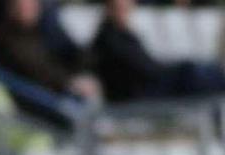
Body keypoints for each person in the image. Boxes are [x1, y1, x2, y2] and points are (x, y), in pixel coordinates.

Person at [92, 0, 225, 102]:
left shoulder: (122, 35)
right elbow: (144, 68)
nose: (125, 12)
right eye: (120, 9)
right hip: (139, 92)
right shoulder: (111, 38)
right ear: (109, 10)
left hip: (147, 85)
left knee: (195, 70)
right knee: (190, 72)